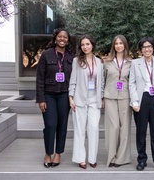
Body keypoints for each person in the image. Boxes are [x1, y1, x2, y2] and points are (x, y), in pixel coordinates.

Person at [129, 37, 154, 172]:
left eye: (149, 46)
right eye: (144, 47)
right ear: (141, 49)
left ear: (153, 48)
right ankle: (142, 160)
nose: (147, 49)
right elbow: (132, 83)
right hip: (142, 99)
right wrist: (134, 102)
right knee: (141, 132)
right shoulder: (135, 63)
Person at [36, 28, 75, 168]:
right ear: (55, 38)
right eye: (60, 36)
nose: (62, 39)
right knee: (50, 124)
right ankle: (48, 153)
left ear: (68, 40)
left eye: (65, 37)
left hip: (65, 94)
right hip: (49, 94)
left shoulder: (72, 56)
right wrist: (41, 99)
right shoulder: (46, 55)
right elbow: (39, 77)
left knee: (62, 125)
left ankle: (58, 153)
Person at [69, 35, 104, 169]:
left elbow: (101, 82)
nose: (85, 47)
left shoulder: (99, 62)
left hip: (94, 100)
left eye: (87, 44)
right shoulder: (77, 61)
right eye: (83, 45)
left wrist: (101, 98)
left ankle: (92, 158)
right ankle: (80, 158)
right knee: (79, 130)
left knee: (94, 128)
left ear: (92, 45)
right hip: (79, 99)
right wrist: (70, 97)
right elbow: (73, 80)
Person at [103, 35, 132, 167]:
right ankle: (111, 157)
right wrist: (101, 97)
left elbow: (133, 82)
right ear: (113, 46)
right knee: (113, 127)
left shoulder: (132, 63)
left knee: (124, 128)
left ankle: (121, 158)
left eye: (121, 43)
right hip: (109, 96)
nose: (118, 45)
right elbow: (102, 81)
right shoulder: (107, 62)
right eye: (116, 43)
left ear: (125, 45)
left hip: (125, 97)